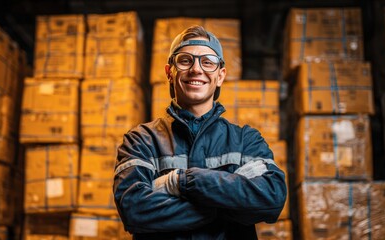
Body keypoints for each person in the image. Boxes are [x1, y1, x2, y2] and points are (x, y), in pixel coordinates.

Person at [113, 25, 287, 240]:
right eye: (185, 60)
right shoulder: (141, 141)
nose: (196, 69)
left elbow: (271, 198)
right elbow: (135, 210)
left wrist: (181, 182)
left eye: (208, 62)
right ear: (170, 72)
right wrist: (226, 204)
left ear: (220, 76)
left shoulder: (245, 140)